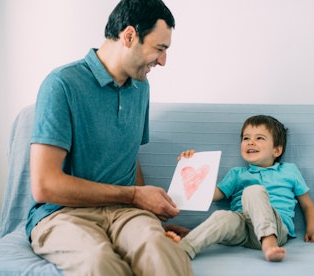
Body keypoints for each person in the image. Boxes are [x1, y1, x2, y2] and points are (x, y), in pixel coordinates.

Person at [26, 0, 193, 275]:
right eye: (160, 48)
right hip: (63, 214)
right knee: (98, 259)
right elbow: (45, 185)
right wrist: (135, 195)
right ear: (129, 36)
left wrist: (151, 218)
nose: (163, 61)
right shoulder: (61, 84)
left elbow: (129, 158)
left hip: (125, 212)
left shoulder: (141, 87)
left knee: (161, 251)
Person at [165, 115, 314, 262]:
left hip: (276, 228)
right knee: (222, 216)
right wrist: (194, 164)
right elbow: (211, 195)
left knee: (253, 191)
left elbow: (308, 205)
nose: (251, 142)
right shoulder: (237, 174)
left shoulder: (289, 171)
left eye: (259, 138)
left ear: (276, 150)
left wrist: (312, 230)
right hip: (244, 229)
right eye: (246, 138)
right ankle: (184, 248)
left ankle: (268, 241)